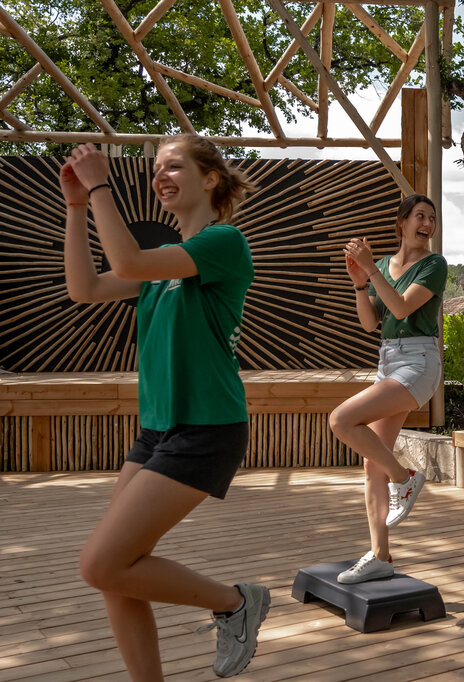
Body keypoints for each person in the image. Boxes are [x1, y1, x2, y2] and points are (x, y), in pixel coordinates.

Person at [62, 136, 268, 679]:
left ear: (210, 179)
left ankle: (235, 603)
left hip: (207, 427)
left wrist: (101, 186)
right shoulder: (160, 270)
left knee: (100, 562)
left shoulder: (223, 242)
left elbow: (126, 259)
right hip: (157, 431)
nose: (161, 176)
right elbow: (84, 288)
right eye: (157, 169)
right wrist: (77, 206)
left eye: (174, 166)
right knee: (115, 571)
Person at [330, 194, 446, 584]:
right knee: (370, 464)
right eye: (420, 216)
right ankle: (380, 556)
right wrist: (360, 284)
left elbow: (400, 308)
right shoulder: (382, 265)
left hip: (419, 361)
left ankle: (404, 478)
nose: (427, 223)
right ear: (402, 222)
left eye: (431, 218)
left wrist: (370, 271)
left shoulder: (434, 265)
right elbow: (370, 323)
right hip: (388, 360)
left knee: (341, 419)